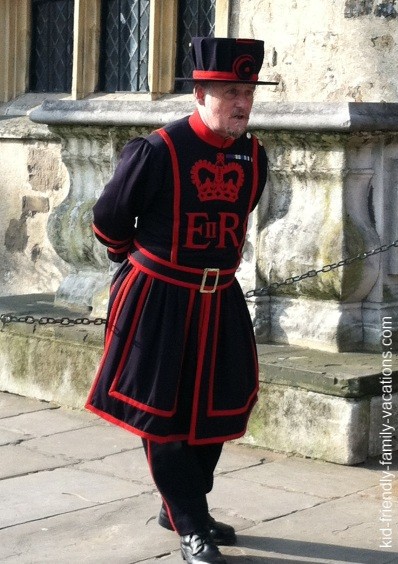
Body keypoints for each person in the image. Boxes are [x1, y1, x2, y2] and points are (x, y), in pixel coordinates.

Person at [85, 37, 276, 564]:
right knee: (162, 415)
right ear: (200, 92)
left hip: (221, 300)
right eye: (229, 91)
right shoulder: (157, 150)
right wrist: (138, 268)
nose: (242, 102)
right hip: (157, 298)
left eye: (248, 92)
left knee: (220, 409)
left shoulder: (255, 156)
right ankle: (191, 524)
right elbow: (109, 221)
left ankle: (182, 504)